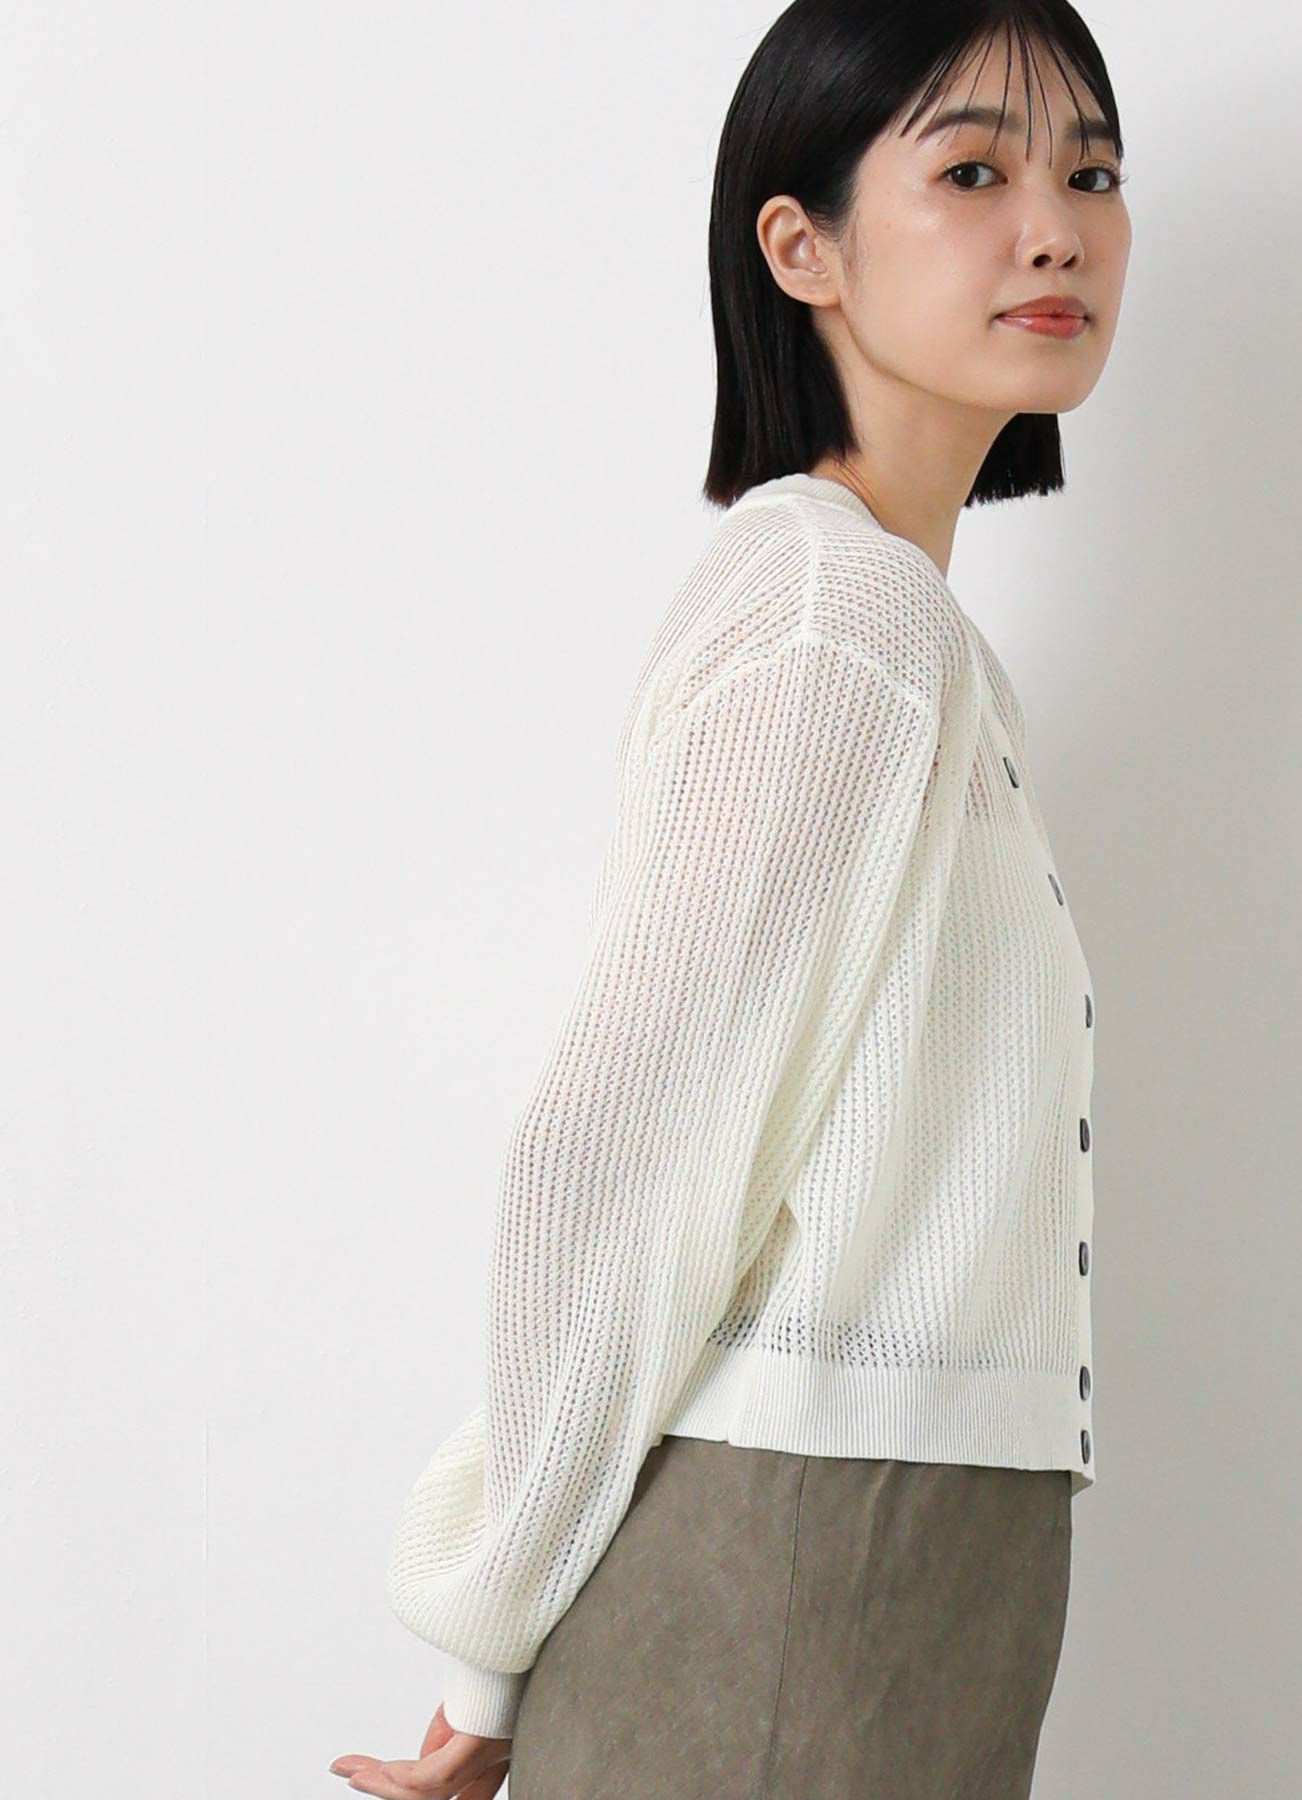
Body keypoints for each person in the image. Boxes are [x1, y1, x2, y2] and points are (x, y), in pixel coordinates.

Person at [330, 0, 1130, 1794]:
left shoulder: (912, 639)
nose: (1057, 229)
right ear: (801, 247)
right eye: (974, 174)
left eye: (1091, 174)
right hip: (800, 1555)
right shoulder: (839, 624)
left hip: (918, 1547)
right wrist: (486, 1638)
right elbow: (622, 1142)